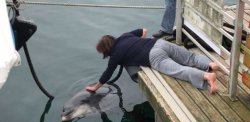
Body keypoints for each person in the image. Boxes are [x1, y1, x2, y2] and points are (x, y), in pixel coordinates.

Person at [85, 28, 221, 94]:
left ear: (106, 50)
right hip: (159, 43)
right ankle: (210, 64)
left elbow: (107, 74)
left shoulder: (115, 55)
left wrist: (95, 87)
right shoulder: (125, 36)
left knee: (178, 70)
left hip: (154, 56)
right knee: (190, 58)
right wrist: (141, 41)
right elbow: (143, 30)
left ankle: (207, 76)